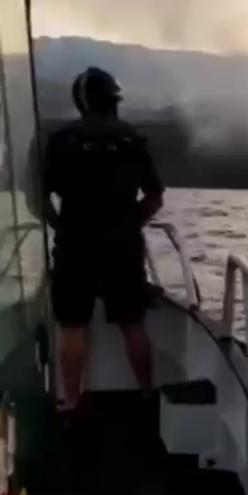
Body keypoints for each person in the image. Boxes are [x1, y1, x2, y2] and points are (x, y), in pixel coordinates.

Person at [45, 67, 164, 411]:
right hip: (122, 245)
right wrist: (129, 222)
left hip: (74, 244)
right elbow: (155, 197)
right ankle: (146, 394)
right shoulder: (132, 139)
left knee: (72, 323)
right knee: (132, 322)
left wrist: (59, 224)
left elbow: (36, 197)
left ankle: (71, 400)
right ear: (113, 100)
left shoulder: (60, 140)